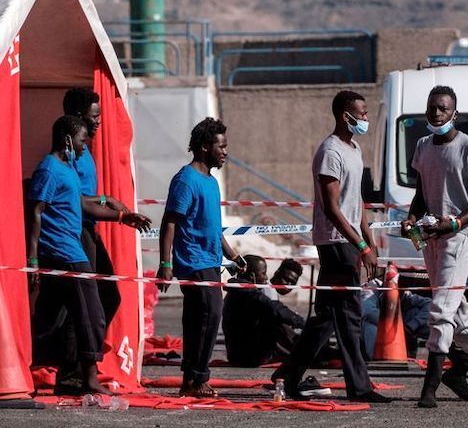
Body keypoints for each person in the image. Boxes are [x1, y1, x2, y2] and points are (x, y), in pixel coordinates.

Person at [272, 91, 391, 403]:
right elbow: (333, 208)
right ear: (345, 115)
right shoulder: (330, 152)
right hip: (336, 243)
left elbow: (356, 205)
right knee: (350, 315)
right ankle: (359, 387)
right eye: (362, 113)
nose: (366, 119)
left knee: (325, 318)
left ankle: (287, 375)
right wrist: (360, 246)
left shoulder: (354, 149)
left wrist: (370, 241)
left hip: (351, 241)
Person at [33, 88, 153, 393]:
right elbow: (53, 202)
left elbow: (79, 195)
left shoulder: (79, 155)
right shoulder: (60, 162)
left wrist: (111, 205)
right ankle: (74, 371)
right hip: (75, 237)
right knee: (86, 306)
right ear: (75, 122)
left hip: (80, 231)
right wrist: (33, 257)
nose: (98, 123)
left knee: (88, 303)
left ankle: (72, 368)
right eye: (94, 116)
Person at [400, 85, 468, 408]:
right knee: (457, 309)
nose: (436, 113)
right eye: (433, 107)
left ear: (454, 113)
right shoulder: (422, 146)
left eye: (443, 108)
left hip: (461, 236)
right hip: (432, 235)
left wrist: (459, 222)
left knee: (441, 309)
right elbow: (421, 194)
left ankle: (429, 389)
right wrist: (411, 218)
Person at [156, 117, 247, 398]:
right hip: (193, 263)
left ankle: (192, 379)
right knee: (206, 318)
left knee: (203, 320)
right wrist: (166, 264)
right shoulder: (186, 180)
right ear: (205, 146)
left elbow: (212, 226)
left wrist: (231, 254)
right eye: (221, 146)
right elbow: (169, 222)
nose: (225, 151)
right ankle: (196, 379)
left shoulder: (210, 181)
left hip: (211, 261)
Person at [222, 255, 305, 367]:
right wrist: (301, 322)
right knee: (276, 322)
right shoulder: (247, 292)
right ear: (252, 276)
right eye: (263, 273)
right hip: (247, 356)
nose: (266, 278)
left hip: (241, 353)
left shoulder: (240, 289)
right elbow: (274, 308)